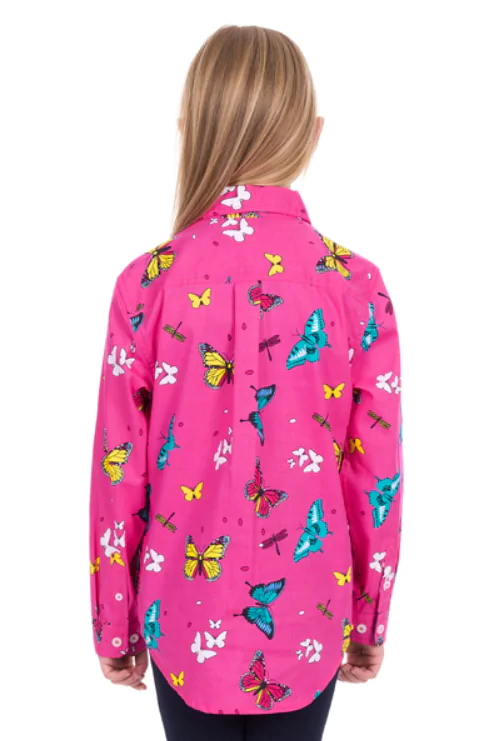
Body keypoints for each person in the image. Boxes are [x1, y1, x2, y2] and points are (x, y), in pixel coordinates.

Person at [88, 24, 404, 741]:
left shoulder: (146, 285)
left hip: (180, 618)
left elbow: (118, 467)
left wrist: (114, 621)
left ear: (188, 128)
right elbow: (375, 473)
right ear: (312, 134)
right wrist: (369, 617)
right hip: (309, 617)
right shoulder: (355, 287)